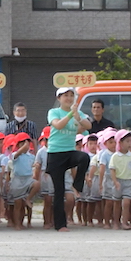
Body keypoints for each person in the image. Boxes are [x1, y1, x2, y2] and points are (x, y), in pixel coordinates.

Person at [46, 87, 92, 231]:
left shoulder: (78, 113)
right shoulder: (54, 112)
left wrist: (78, 117)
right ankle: (60, 224)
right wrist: (71, 114)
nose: (69, 98)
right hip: (55, 154)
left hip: (69, 152)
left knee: (84, 157)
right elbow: (58, 125)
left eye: (71, 95)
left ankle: (77, 186)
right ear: (59, 98)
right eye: (65, 96)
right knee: (59, 191)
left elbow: (88, 126)